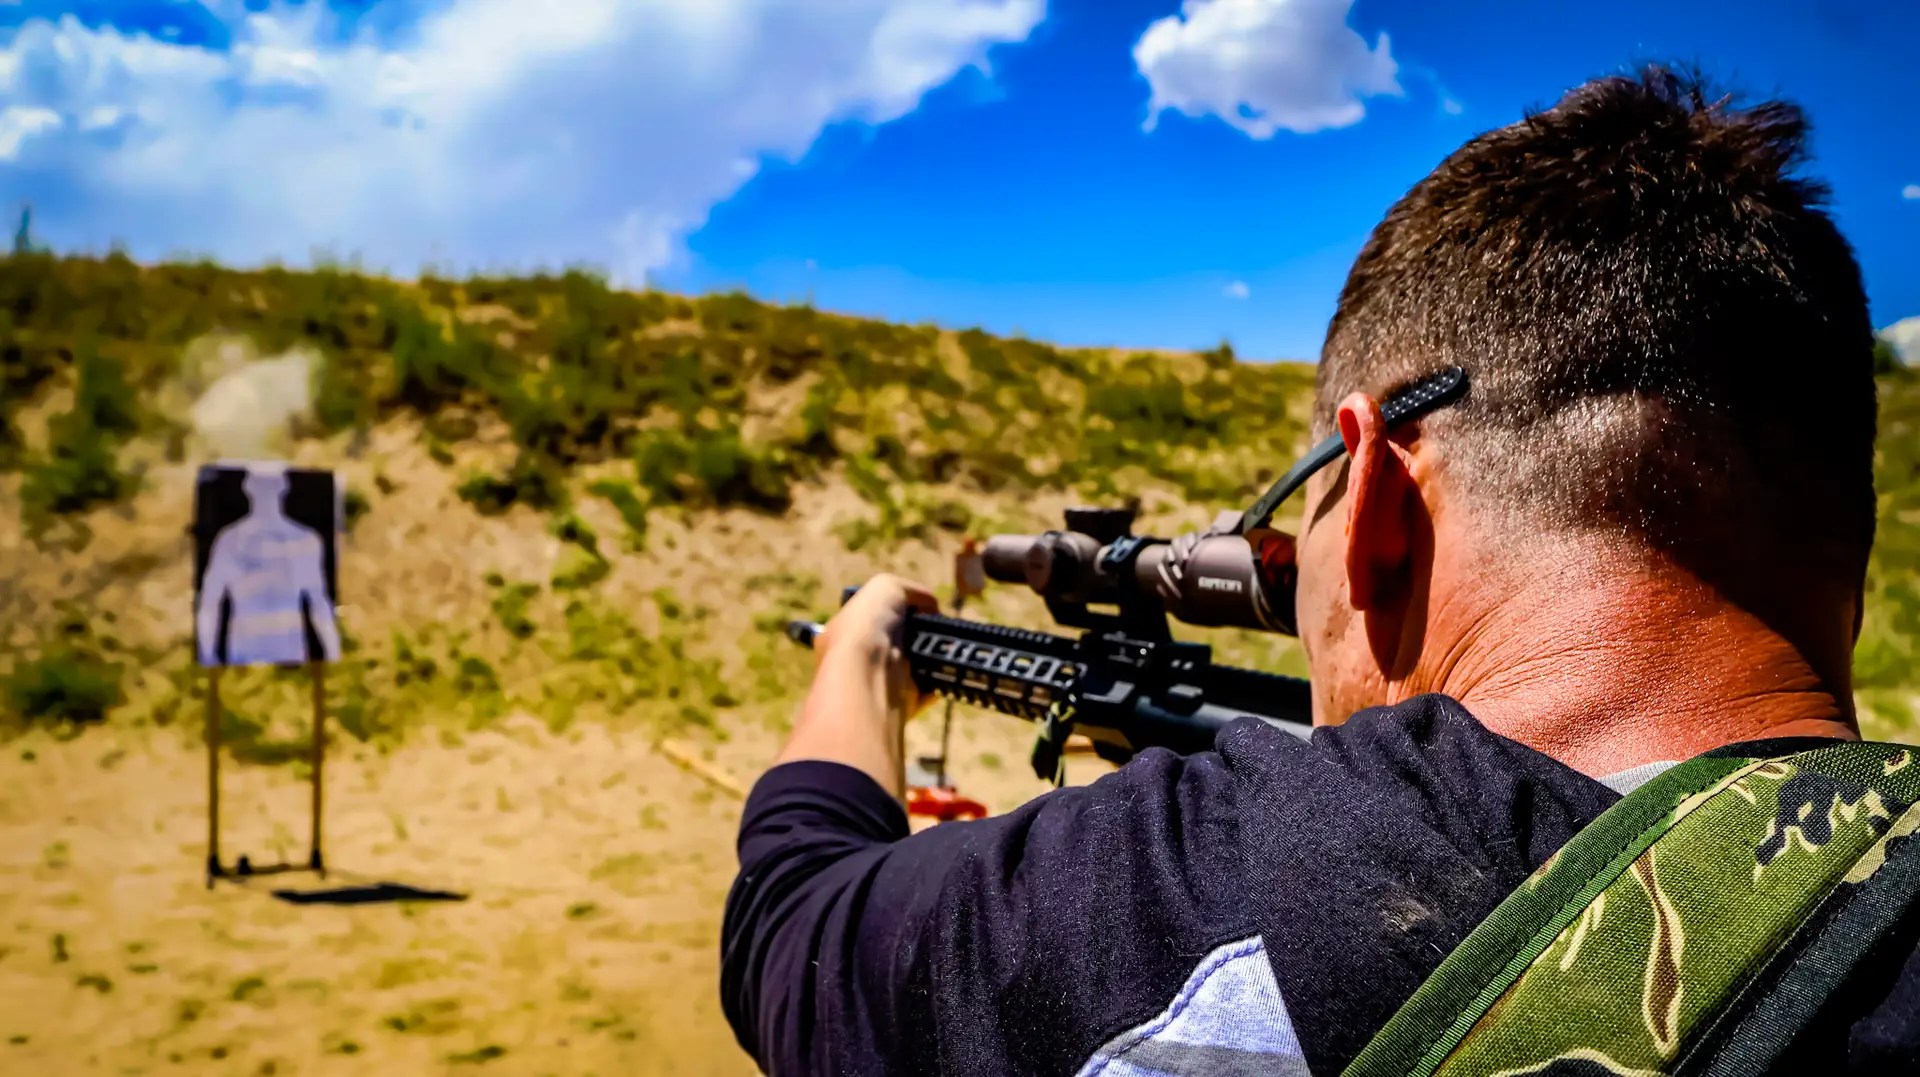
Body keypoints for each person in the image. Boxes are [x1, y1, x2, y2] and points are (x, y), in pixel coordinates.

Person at [719, 67, 1920, 1075]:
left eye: (1306, 511)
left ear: (1384, 490)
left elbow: (791, 936)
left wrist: (862, 658)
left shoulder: (1275, 869)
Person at [196, 465, 343, 668]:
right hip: (245, 656)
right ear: (249, 487)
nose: (266, 491)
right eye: (261, 484)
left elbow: (319, 603)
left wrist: (333, 654)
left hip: (289, 654)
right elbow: (210, 603)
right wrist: (207, 657)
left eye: (270, 484)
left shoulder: (304, 540)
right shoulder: (232, 541)